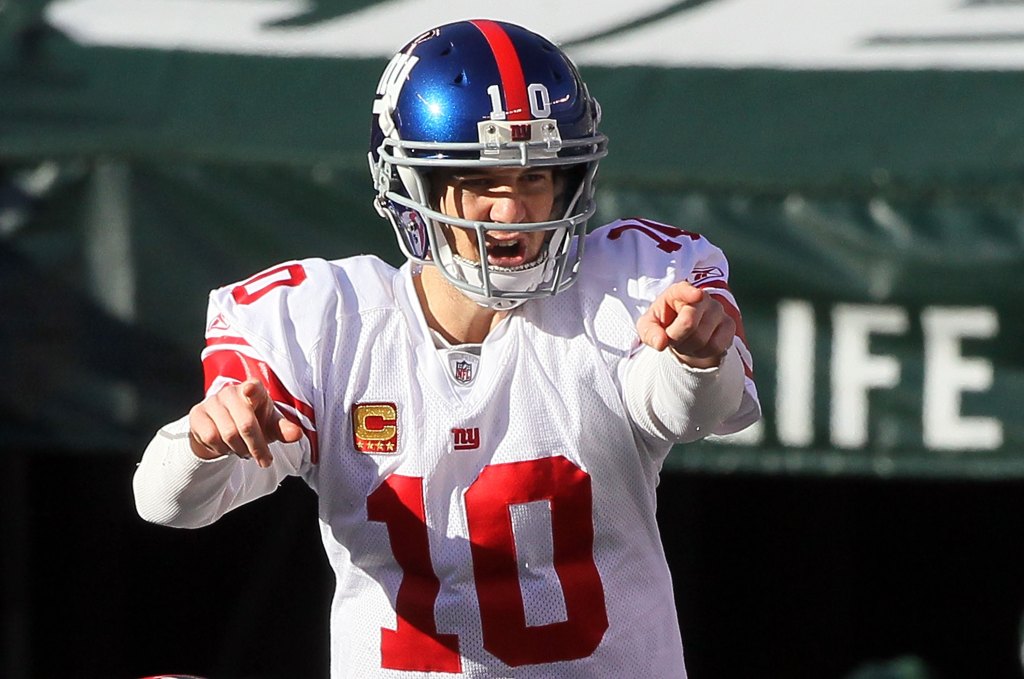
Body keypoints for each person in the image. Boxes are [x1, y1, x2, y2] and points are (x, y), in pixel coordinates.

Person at [133, 18, 760, 678]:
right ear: (412, 185)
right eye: (481, 179)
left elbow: (694, 412)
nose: (511, 210)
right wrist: (202, 442)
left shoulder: (626, 285)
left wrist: (695, 356)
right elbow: (169, 503)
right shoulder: (334, 322)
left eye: (535, 178)